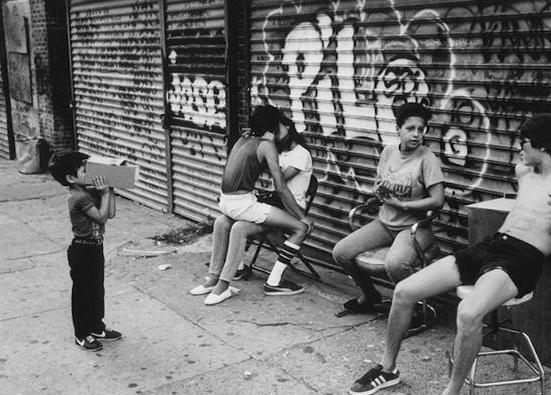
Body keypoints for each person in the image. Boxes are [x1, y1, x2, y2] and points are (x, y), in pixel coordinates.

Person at [346, 113, 551, 395]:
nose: (518, 151)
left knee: (469, 313)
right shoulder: (524, 171)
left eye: (522, 143)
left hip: (523, 258)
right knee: (404, 291)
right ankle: (388, 369)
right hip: (492, 244)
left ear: (542, 144)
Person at [188, 105, 313, 305]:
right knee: (223, 223)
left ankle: (223, 281)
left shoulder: (292, 152)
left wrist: (261, 142)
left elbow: (275, 179)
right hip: (261, 202)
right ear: (273, 125)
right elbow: (277, 184)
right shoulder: (266, 145)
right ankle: (225, 280)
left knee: (231, 225)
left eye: (286, 125)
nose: (285, 127)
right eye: (280, 123)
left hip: (265, 204)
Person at [332, 102, 445, 314]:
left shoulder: (427, 159)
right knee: (341, 252)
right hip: (385, 223)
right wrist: (377, 196)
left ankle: (409, 308)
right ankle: (370, 295)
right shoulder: (388, 152)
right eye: (410, 129)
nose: (416, 134)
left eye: (421, 129)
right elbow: (380, 185)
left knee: (395, 265)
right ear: (398, 129)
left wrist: (403, 204)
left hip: (414, 227)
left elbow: (438, 201)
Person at [48, 151, 122, 352]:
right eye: (84, 170)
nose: (90, 172)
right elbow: (101, 217)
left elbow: (111, 213)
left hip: (96, 247)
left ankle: (97, 327)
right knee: (82, 294)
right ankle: (81, 334)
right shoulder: (78, 197)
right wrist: (105, 194)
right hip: (82, 249)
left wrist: (110, 188)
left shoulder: (90, 191)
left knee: (97, 290)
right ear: (71, 178)